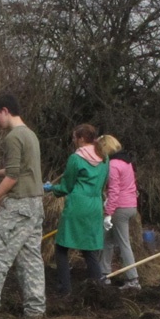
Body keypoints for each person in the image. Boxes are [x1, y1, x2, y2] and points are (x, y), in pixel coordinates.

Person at [0, 94, 46, 319]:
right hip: (35, 205)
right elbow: (21, 168)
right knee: (30, 258)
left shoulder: (13, 137)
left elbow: (14, 176)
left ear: (5, 111)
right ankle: (35, 313)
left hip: (18, 206)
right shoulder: (30, 135)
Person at [46, 124, 108, 295]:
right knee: (89, 250)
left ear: (81, 139)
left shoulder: (76, 158)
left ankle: (64, 290)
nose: (73, 141)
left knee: (61, 248)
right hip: (95, 205)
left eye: (74, 137)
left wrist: (51, 188)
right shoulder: (104, 157)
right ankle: (99, 291)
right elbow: (104, 183)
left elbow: (66, 186)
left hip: (77, 206)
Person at [96, 134, 141, 290]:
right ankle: (104, 274)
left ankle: (133, 279)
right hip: (130, 205)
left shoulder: (113, 164)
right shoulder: (126, 161)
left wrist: (108, 212)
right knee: (107, 240)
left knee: (123, 243)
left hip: (119, 208)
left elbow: (114, 191)